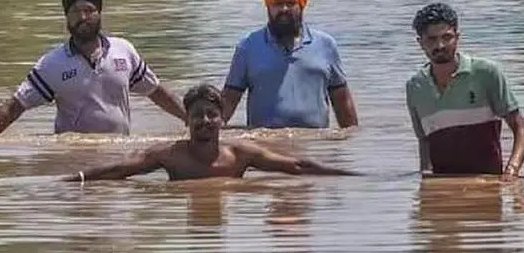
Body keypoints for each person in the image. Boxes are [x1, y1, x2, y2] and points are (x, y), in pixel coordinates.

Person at [0, 0, 188, 138]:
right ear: (66, 18)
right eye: (75, 12)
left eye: (89, 10)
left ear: (100, 14)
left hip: (119, 151)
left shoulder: (123, 51)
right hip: (72, 156)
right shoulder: (52, 64)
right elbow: (14, 106)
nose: (83, 17)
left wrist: (190, 119)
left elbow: (156, 91)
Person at [61, 84, 360, 182]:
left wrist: (344, 176)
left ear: (222, 121)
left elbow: (296, 165)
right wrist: (76, 179)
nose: (204, 120)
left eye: (211, 115)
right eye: (196, 115)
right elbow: (121, 169)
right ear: (187, 121)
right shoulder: (170, 155)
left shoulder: (239, 154)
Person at [221, 0, 358, 129]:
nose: (284, 9)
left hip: (316, 146)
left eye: (290, 3)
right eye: (278, 3)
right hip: (266, 149)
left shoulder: (325, 45)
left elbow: (342, 100)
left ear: (301, 5)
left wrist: (352, 145)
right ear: (268, 6)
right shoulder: (248, 47)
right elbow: (228, 101)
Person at [405, 3, 524, 181]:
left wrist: (512, 172)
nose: (440, 45)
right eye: (431, 39)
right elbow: (424, 141)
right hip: (441, 190)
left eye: (446, 37)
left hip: (487, 185)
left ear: (457, 37)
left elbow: (521, 130)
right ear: (420, 42)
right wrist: (426, 180)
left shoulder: (486, 73)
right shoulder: (415, 86)